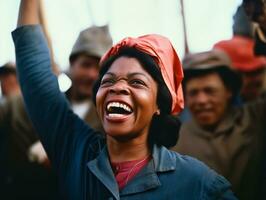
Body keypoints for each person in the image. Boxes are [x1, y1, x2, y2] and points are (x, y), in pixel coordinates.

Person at [11, 1, 237, 199]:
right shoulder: (75, 151)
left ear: (159, 104)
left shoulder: (198, 184)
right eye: (107, 81)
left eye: (137, 82)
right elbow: (34, 70)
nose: (117, 87)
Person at [173, 50, 266, 200]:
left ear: (228, 91)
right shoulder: (175, 141)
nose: (201, 100)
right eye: (193, 93)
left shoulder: (255, 118)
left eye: (210, 91)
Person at [65, 24, 112, 131]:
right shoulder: (50, 105)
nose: (92, 75)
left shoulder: (108, 117)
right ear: (72, 63)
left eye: (99, 69)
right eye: (86, 65)